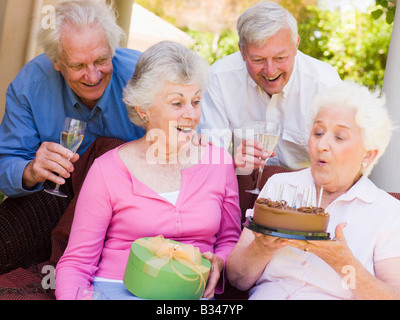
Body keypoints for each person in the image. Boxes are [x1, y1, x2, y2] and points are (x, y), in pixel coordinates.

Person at [55, 41, 242, 300]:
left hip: (188, 294)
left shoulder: (219, 163)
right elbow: (76, 262)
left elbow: (230, 239)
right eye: (177, 103)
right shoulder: (107, 169)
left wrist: (220, 261)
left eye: (196, 101)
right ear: (143, 109)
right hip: (115, 289)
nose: (191, 114)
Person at [0, 0, 145, 274]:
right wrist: (30, 171)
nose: (93, 75)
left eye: (102, 60)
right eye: (78, 65)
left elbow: (181, 145)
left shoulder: (143, 76)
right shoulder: (29, 86)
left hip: (133, 201)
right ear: (56, 61)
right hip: (56, 195)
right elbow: (6, 163)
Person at [226, 81, 400, 300]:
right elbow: (237, 279)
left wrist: (343, 263)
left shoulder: (389, 213)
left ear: (368, 155)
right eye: (318, 133)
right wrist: (262, 248)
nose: (322, 145)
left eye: (339, 137)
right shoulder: (279, 186)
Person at [197, 1, 342, 173]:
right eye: (257, 60)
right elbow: (210, 157)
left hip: (307, 187)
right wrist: (231, 161)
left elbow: (341, 161)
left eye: (280, 58)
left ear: (296, 45)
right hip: (243, 181)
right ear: (241, 52)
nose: (270, 71)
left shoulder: (325, 84)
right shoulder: (218, 78)